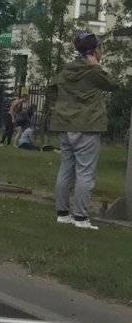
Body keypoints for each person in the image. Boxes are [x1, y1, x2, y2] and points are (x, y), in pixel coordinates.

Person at [50, 33, 117, 230]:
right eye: (100, 48)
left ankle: (63, 214)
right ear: (95, 51)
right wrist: (97, 66)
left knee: (65, 170)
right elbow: (113, 85)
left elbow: (51, 89)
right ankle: (80, 218)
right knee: (85, 172)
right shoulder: (93, 71)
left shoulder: (66, 70)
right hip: (87, 127)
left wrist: (64, 106)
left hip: (65, 126)